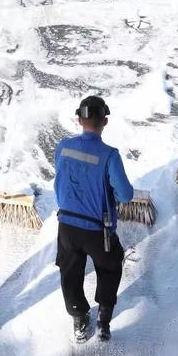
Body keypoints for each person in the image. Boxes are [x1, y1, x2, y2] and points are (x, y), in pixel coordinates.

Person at [54, 96, 134, 343]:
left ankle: (78, 319)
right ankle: (104, 318)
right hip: (98, 230)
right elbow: (126, 195)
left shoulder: (63, 147)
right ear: (105, 121)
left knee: (70, 272)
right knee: (110, 267)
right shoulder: (109, 155)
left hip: (66, 225)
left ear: (79, 120)